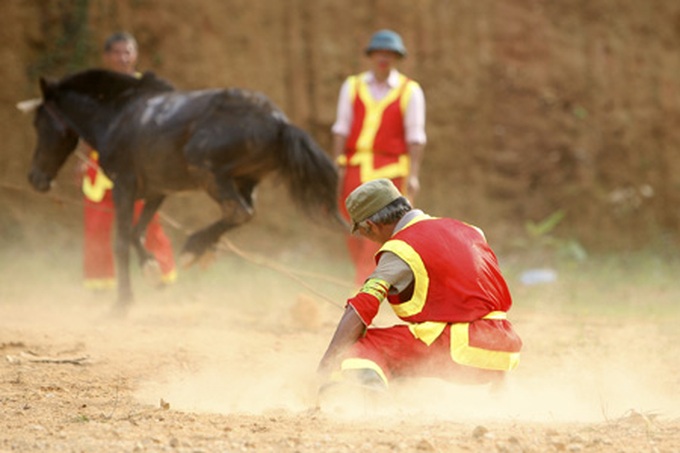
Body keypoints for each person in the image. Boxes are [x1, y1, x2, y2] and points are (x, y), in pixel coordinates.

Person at [317, 179, 522, 397]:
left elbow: (360, 308)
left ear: (371, 226)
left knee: (364, 347)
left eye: (363, 232)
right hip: (504, 351)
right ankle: (502, 391)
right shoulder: (471, 231)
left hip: (462, 350)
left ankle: (362, 398)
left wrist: (328, 363)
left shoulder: (401, 247)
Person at [81, 32, 177, 289]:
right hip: (100, 165)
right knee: (97, 226)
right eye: (117, 52)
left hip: (138, 166)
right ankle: (99, 285)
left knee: (148, 222)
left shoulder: (146, 88)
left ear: (135, 55)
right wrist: (83, 159)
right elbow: (88, 127)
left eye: (128, 52)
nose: (123, 58)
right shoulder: (96, 88)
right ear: (107, 56)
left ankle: (162, 279)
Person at [332, 29, 427, 287]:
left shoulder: (410, 91)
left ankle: (365, 287)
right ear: (371, 56)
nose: (384, 58)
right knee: (351, 228)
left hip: (392, 171)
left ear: (397, 57)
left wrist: (414, 174)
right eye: (379, 53)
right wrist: (336, 164)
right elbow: (341, 128)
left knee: (380, 230)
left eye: (390, 53)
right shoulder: (352, 86)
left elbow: (416, 137)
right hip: (355, 167)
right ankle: (368, 282)